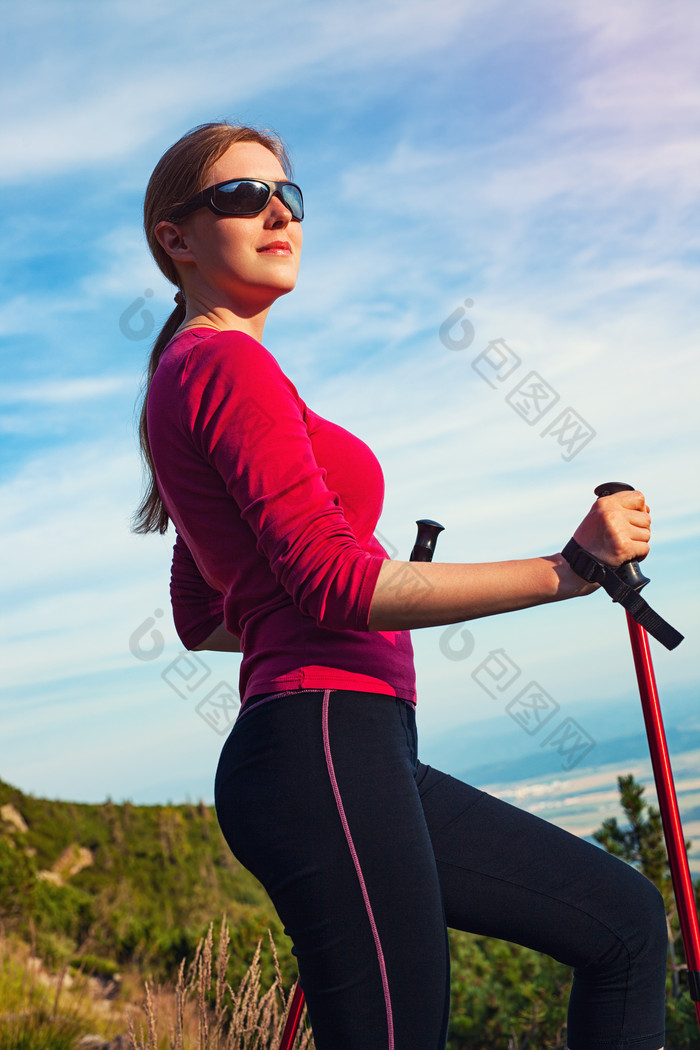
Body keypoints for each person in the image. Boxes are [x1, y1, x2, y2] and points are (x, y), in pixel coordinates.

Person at [134, 121, 667, 1050]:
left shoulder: (206, 376)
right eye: (239, 196)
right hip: (324, 745)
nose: (275, 211)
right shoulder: (224, 365)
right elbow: (335, 585)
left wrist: (359, 597)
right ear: (174, 238)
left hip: (353, 749)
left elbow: (203, 617)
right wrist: (567, 567)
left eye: (287, 196)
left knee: (622, 923)